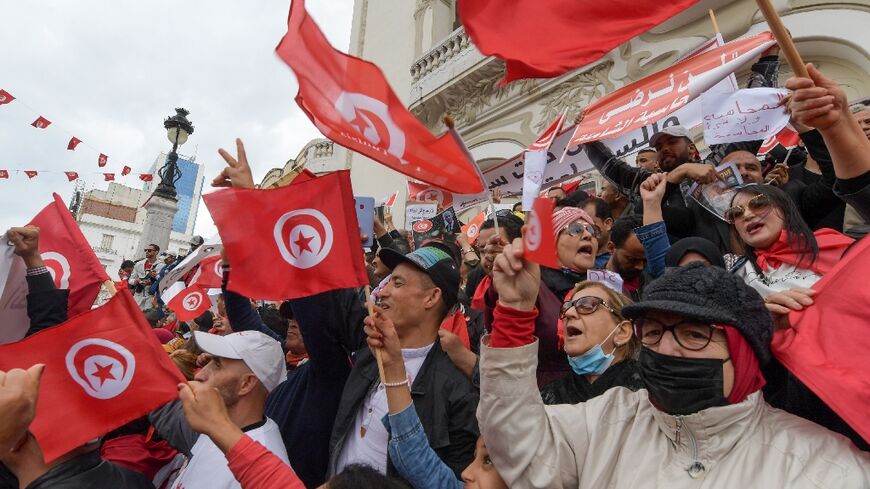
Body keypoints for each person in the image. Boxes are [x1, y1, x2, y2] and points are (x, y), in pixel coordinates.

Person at [478, 245, 870, 487]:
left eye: (694, 335)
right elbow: (522, 448)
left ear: (744, 353)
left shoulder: (826, 468)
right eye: (652, 332)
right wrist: (514, 311)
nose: (666, 349)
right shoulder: (610, 420)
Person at [330, 244, 479, 480]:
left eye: (397, 283)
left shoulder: (457, 390)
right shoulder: (370, 348)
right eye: (387, 282)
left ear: (431, 297)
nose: (381, 292)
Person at [149, 330, 290, 489]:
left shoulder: (264, 476)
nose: (199, 375)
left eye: (217, 365)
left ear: (246, 384)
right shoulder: (219, 424)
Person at [483, 206, 599, 387]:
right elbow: (503, 335)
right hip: (544, 399)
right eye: (575, 229)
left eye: (592, 229)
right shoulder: (530, 285)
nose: (587, 235)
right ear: (552, 244)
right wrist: (503, 281)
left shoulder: (608, 285)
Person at [725, 183, 853, 298]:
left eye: (759, 203)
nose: (747, 215)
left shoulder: (832, 245)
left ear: (785, 210)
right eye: (736, 213)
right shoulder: (734, 273)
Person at [539, 281, 641, 405]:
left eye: (587, 305)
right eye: (566, 307)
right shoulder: (547, 397)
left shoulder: (652, 394)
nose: (569, 313)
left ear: (622, 332)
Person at [604, 215, 647, 299]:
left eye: (645, 260)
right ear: (611, 248)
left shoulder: (654, 285)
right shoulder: (592, 287)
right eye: (633, 259)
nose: (640, 267)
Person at [130, 243, 165, 310]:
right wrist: (136, 281)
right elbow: (130, 280)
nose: (146, 252)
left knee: (146, 317)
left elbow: (163, 281)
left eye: (149, 250)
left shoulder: (161, 266)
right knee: (134, 315)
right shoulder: (138, 264)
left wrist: (154, 278)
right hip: (138, 294)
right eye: (145, 250)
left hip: (151, 296)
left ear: (156, 252)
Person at [581, 198, 613, 268]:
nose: (585, 233)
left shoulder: (620, 259)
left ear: (608, 224)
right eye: (580, 227)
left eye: (589, 225)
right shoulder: (574, 261)